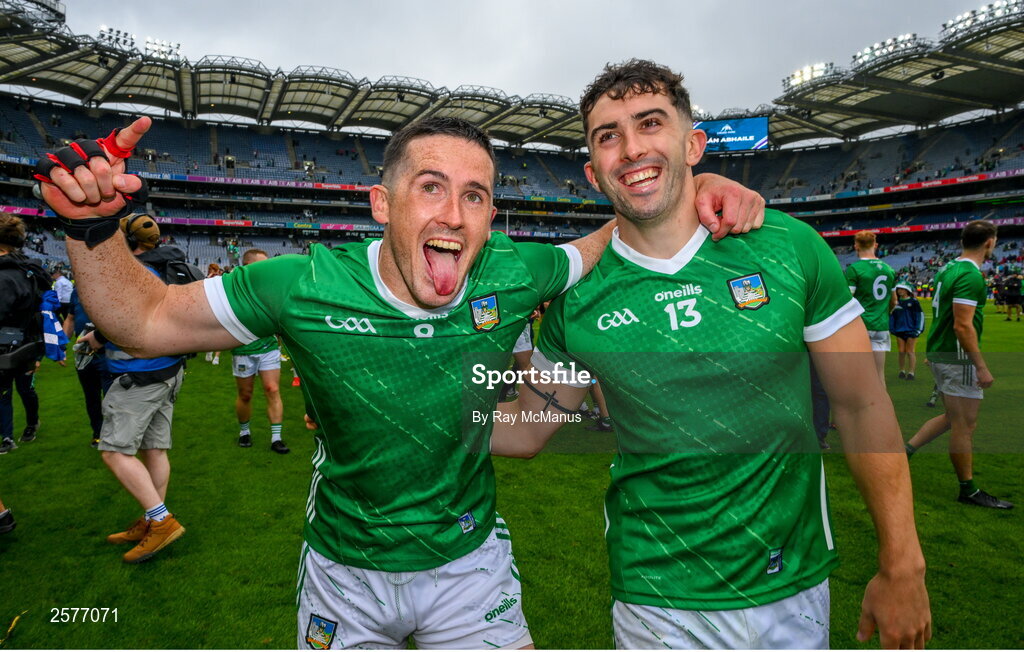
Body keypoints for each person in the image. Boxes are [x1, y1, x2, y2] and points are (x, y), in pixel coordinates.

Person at [34, 115, 763, 648]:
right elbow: (148, 316)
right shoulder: (302, 285)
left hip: (469, 565)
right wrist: (90, 227)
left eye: (475, 196)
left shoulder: (514, 269)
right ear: (383, 205)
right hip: (344, 575)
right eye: (432, 188)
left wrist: (694, 188)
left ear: (491, 217)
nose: (454, 213)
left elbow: (607, 239)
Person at [491, 59, 930, 649]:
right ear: (593, 172)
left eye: (650, 124)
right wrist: (401, 404)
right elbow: (526, 428)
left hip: (791, 584)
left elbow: (861, 405)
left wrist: (904, 563)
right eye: (608, 136)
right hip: (656, 597)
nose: (631, 148)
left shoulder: (788, 247)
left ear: (693, 145)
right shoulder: (579, 300)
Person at [75, 215, 188, 562]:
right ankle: (149, 518)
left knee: (114, 450)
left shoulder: (134, 271)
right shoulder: (171, 264)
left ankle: (160, 520)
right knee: (154, 449)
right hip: (168, 368)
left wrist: (94, 338)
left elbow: (123, 320)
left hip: (139, 373)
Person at [905, 221, 1012, 509]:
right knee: (965, 424)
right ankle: (968, 489)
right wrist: (981, 366)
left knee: (952, 418)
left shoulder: (947, 268)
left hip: (942, 353)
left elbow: (944, 317)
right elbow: (963, 326)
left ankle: (904, 452)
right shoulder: (970, 275)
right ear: (989, 243)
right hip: (957, 357)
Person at [0, 213, 50, 455]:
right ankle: (8, 435)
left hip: (20, 343)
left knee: (21, 389)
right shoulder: (30, 270)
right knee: (7, 390)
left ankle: (30, 424)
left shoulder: (14, 274)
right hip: (28, 343)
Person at [231, 248, 288, 454]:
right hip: (243, 350)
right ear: (247, 266)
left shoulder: (272, 288)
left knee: (272, 389)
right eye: (262, 264)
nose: (267, 268)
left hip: (268, 348)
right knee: (245, 395)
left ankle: (276, 438)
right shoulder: (233, 290)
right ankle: (244, 432)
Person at [64, 285, 115, 448]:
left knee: (111, 397)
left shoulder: (111, 287)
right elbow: (70, 318)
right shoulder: (77, 290)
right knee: (91, 397)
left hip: (108, 351)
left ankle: (114, 435)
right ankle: (98, 433)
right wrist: (61, 346)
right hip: (84, 353)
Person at [845, 231, 896, 387]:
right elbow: (893, 301)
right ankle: (882, 411)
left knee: (857, 376)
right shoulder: (889, 269)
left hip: (861, 326)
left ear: (856, 246)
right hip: (881, 326)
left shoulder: (854, 269)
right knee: (879, 375)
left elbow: (848, 300)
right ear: (876, 245)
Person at [890, 283, 925, 380]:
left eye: (902, 289)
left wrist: (918, 329)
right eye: (898, 289)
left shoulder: (914, 302)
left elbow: (920, 316)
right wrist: (892, 328)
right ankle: (902, 370)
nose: (899, 291)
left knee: (910, 351)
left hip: (911, 330)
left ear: (907, 290)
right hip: (899, 330)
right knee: (901, 352)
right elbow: (892, 316)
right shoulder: (896, 302)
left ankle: (911, 372)